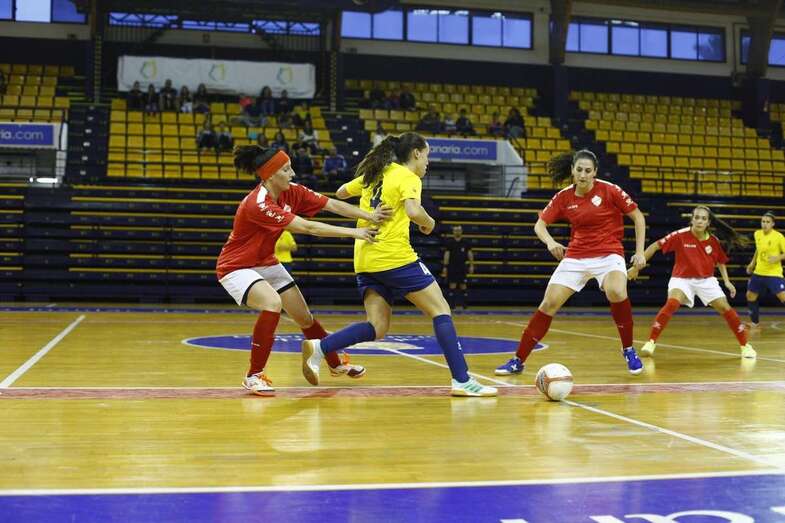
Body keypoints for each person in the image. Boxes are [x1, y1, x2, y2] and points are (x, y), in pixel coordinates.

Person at [300, 132, 498, 397]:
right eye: (427, 156)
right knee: (441, 310)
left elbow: (341, 192)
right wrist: (431, 224)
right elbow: (415, 211)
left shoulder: (375, 173)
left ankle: (322, 347)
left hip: (364, 257)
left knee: (377, 327)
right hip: (394, 256)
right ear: (416, 153)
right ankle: (462, 379)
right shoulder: (408, 177)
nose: (428, 162)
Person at [216, 145, 392, 395]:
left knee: (304, 317)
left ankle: (334, 363)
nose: (293, 173)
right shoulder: (258, 204)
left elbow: (331, 204)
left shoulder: (292, 192)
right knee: (272, 303)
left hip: (266, 262)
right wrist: (356, 232)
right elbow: (309, 228)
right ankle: (253, 375)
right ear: (269, 175)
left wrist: (370, 216)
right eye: (286, 169)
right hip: (236, 266)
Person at [495, 149, 647, 376]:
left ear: (595, 172)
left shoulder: (610, 190)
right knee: (549, 304)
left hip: (608, 254)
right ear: (572, 171)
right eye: (579, 170)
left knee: (616, 291)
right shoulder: (564, 196)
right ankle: (518, 360)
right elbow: (539, 225)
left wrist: (639, 252)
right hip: (575, 256)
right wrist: (550, 243)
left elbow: (638, 217)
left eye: (588, 171)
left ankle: (628, 349)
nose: (583, 175)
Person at [629, 206, 756, 359]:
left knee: (725, 308)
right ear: (692, 219)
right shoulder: (681, 235)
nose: (699, 221)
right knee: (672, 303)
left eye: (703, 218)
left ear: (708, 222)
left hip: (706, 280)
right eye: (696, 217)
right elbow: (655, 246)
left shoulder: (713, 241)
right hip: (682, 279)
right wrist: (636, 268)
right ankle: (650, 342)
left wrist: (727, 281)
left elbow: (720, 261)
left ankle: (745, 346)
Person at [746, 211, 785, 328]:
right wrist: (752, 263)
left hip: (774, 273)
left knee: (783, 297)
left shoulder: (779, 237)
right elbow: (758, 250)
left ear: (773, 224)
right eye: (763, 221)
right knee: (750, 296)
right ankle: (755, 323)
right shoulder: (757, 234)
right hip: (759, 272)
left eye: (768, 222)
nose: (765, 224)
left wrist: (777, 257)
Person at [441, 225, 474, 310]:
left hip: (462, 267)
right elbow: (446, 255)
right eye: (456, 230)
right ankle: (452, 306)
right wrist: (445, 266)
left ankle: (465, 306)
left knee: (463, 285)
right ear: (453, 232)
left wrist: (471, 265)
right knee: (452, 285)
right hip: (452, 267)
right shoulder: (450, 243)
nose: (457, 232)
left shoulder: (466, 242)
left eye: (459, 230)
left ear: (461, 231)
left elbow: (470, 254)